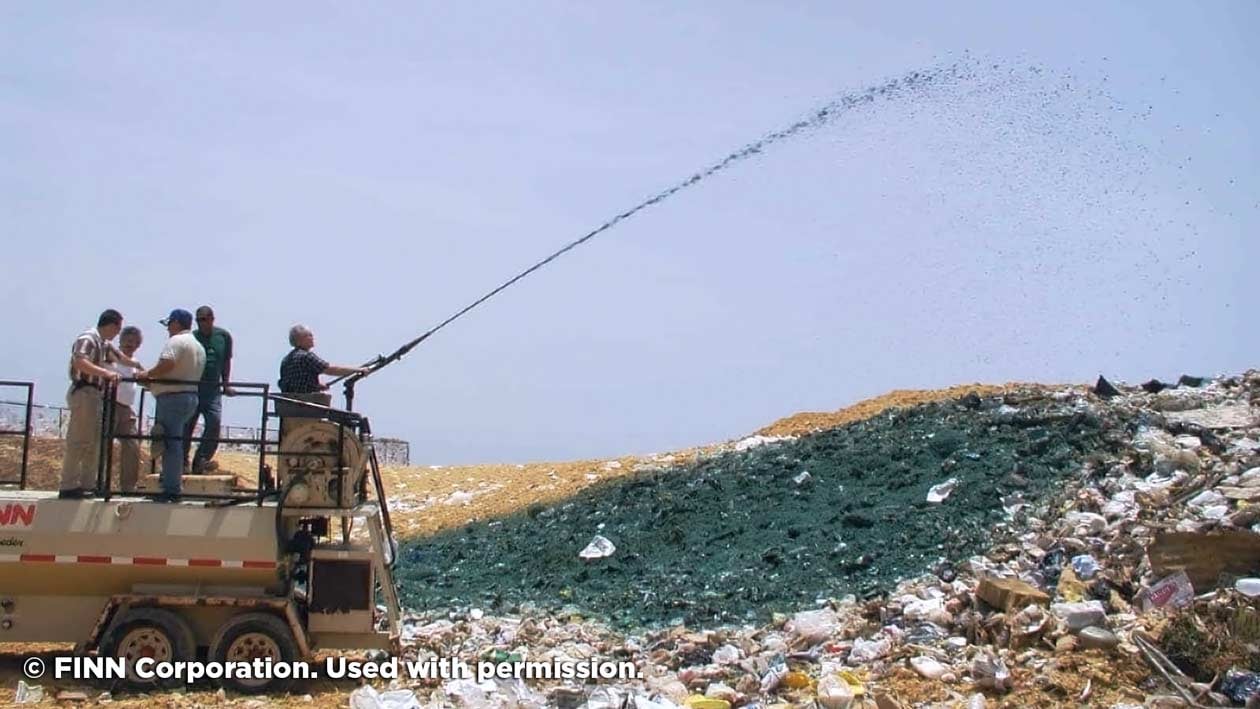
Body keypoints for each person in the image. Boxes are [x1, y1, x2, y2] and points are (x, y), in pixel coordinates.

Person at [60, 310, 143, 498]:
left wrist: (139, 368)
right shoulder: (88, 339)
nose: (118, 333)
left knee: (93, 441)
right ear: (112, 325)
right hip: (84, 391)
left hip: (95, 394)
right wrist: (105, 374)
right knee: (79, 440)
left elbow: (121, 358)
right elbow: (80, 361)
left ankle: (89, 484)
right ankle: (69, 485)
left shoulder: (103, 344)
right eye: (118, 329)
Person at [138, 309, 205, 501]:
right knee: (176, 441)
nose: (167, 328)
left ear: (176, 323)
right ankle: (171, 482)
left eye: (169, 324)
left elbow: (168, 363)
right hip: (190, 396)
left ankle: (171, 488)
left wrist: (148, 375)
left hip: (172, 397)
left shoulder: (176, 341)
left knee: (169, 443)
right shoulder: (197, 345)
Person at [184, 305, 233, 474]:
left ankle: (202, 458)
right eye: (198, 320)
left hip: (213, 389)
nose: (201, 323)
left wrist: (226, 383)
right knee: (187, 424)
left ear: (212, 319)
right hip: (193, 387)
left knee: (214, 421)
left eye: (204, 319)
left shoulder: (223, 336)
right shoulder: (192, 337)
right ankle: (182, 460)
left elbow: (226, 361)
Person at [278, 325, 368, 394]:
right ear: (300, 339)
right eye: (309, 335)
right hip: (305, 405)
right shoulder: (306, 356)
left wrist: (317, 386)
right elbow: (330, 369)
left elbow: (296, 382)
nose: (312, 337)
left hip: (288, 407)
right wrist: (358, 370)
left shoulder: (286, 360)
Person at [109, 326, 145, 493]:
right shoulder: (112, 358)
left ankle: (128, 487)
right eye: (127, 341)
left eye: (134, 342)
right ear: (120, 341)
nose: (130, 344)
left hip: (126, 408)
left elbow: (146, 380)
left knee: (132, 446)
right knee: (103, 445)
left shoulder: (135, 365)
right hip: (110, 404)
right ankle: (98, 483)